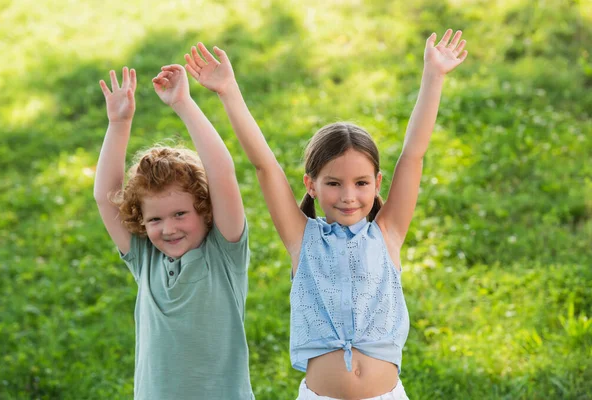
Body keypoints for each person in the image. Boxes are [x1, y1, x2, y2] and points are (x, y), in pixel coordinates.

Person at [186, 28, 467, 400]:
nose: (348, 196)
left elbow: (413, 154)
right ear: (311, 184)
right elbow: (265, 165)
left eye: (361, 183)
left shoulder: (388, 233)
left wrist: (434, 77)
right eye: (333, 183)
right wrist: (229, 91)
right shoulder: (302, 238)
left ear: (378, 183)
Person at [93, 64, 254, 399]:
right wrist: (118, 123)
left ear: (205, 209)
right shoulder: (145, 259)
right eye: (155, 220)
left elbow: (222, 174)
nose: (168, 229)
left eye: (180, 214)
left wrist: (183, 103)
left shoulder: (224, 254)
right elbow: (105, 196)